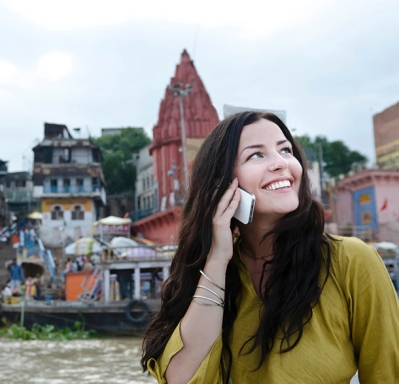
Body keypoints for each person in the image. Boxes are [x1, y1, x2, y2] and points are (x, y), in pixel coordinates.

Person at [141, 112, 399, 383]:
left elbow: (388, 374)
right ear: (222, 183)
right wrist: (217, 259)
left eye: (285, 150)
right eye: (256, 155)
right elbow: (180, 379)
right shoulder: (212, 270)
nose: (281, 163)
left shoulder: (352, 260)